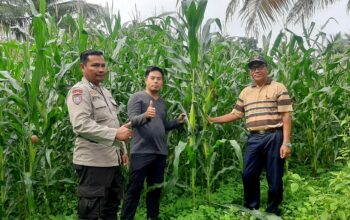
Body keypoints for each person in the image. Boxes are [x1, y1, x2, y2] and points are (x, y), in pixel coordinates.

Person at [208, 56, 292, 215]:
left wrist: (286, 143)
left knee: (274, 179)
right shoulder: (246, 92)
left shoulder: (278, 87)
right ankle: (252, 207)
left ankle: (273, 210)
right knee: (248, 174)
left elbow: (286, 116)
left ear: (267, 68)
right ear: (250, 72)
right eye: (253, 68)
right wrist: (212, 120)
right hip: (254, 138)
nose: (257, 70)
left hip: (274, 136)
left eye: (260, 66)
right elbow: (235, 114)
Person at [66, 50, 133, 220]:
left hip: (111, 160)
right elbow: (81, 124)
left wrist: (122, 150)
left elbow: (112, 123)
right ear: (83, 67)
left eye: (103, 65)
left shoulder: (105, 92)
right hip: (93, 163)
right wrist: (116, 134)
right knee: (91, 213)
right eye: (95, 65)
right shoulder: (80, 92)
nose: (101, 69)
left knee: (111, 208)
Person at [120, 66, 185, 220]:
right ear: (146, 80)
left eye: (159, 79)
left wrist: (176, 122)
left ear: (162, 82)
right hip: (141, 152)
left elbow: (163, 125)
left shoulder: (162, 103)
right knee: (133, 190)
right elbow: (131, 121)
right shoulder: (137, 97)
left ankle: (152, 217)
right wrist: (146, 115)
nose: (156, 81)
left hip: (159, 153)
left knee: (155, 191)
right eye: (152, 78)